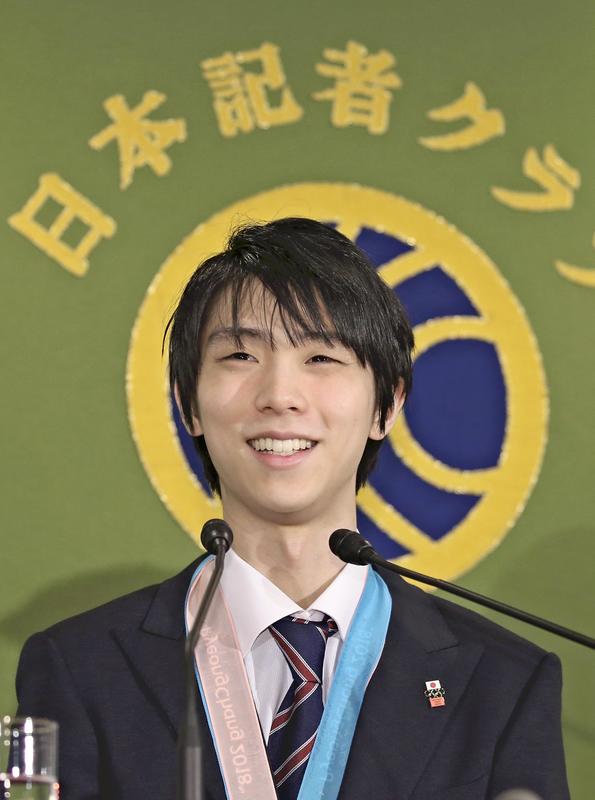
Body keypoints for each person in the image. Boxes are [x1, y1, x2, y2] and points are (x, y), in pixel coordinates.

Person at [16, 218, 569, 799]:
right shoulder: (82, 668)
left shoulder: (501, 682)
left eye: (322, 357)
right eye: (240, 355)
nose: (280, 396)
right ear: (189, 405)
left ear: (386, 406)